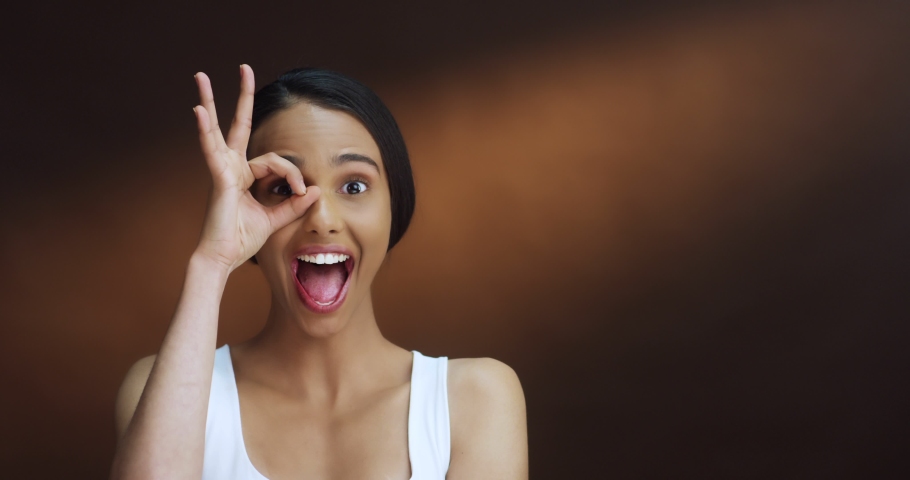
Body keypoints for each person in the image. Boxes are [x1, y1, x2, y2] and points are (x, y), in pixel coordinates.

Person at [109, 65, 528, 480]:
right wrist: (212, 262)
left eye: (354, 186)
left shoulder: (474, 399)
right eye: (284, 187)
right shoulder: (159, 389)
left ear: (393, 206)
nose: (322, 219)